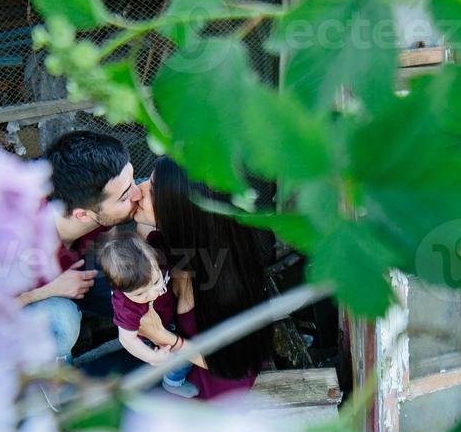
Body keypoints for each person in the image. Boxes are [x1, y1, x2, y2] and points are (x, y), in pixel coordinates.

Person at [134, 156, 273, 400]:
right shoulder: (169, 244)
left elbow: (234, 365)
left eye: (152, 190)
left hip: (214, 390)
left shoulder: (226, 286)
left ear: (178, 212)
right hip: (172, 371)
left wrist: (165, 338)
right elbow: (143, 229)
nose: (139, 190)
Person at [18, 130, 141, 362]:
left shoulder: (94, 208)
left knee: (138, 283)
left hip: (76, 270)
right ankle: (52, 386)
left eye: (133, 180)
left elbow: (109, 239)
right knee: (60, 322)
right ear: (82, 214)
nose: (138, 193)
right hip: (22, 301)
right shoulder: (19, 238)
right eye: (125, 196)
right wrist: (48, 290)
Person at [94, 231, 199, 398]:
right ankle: (173, 383)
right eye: (140, 294)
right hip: (151, 337)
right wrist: (153, 357)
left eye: (156, 282)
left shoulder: (154, 261)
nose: (152, 294)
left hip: (168, 316)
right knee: (181, 361)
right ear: (119, 289)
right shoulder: (126, 307)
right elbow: (127, 339)